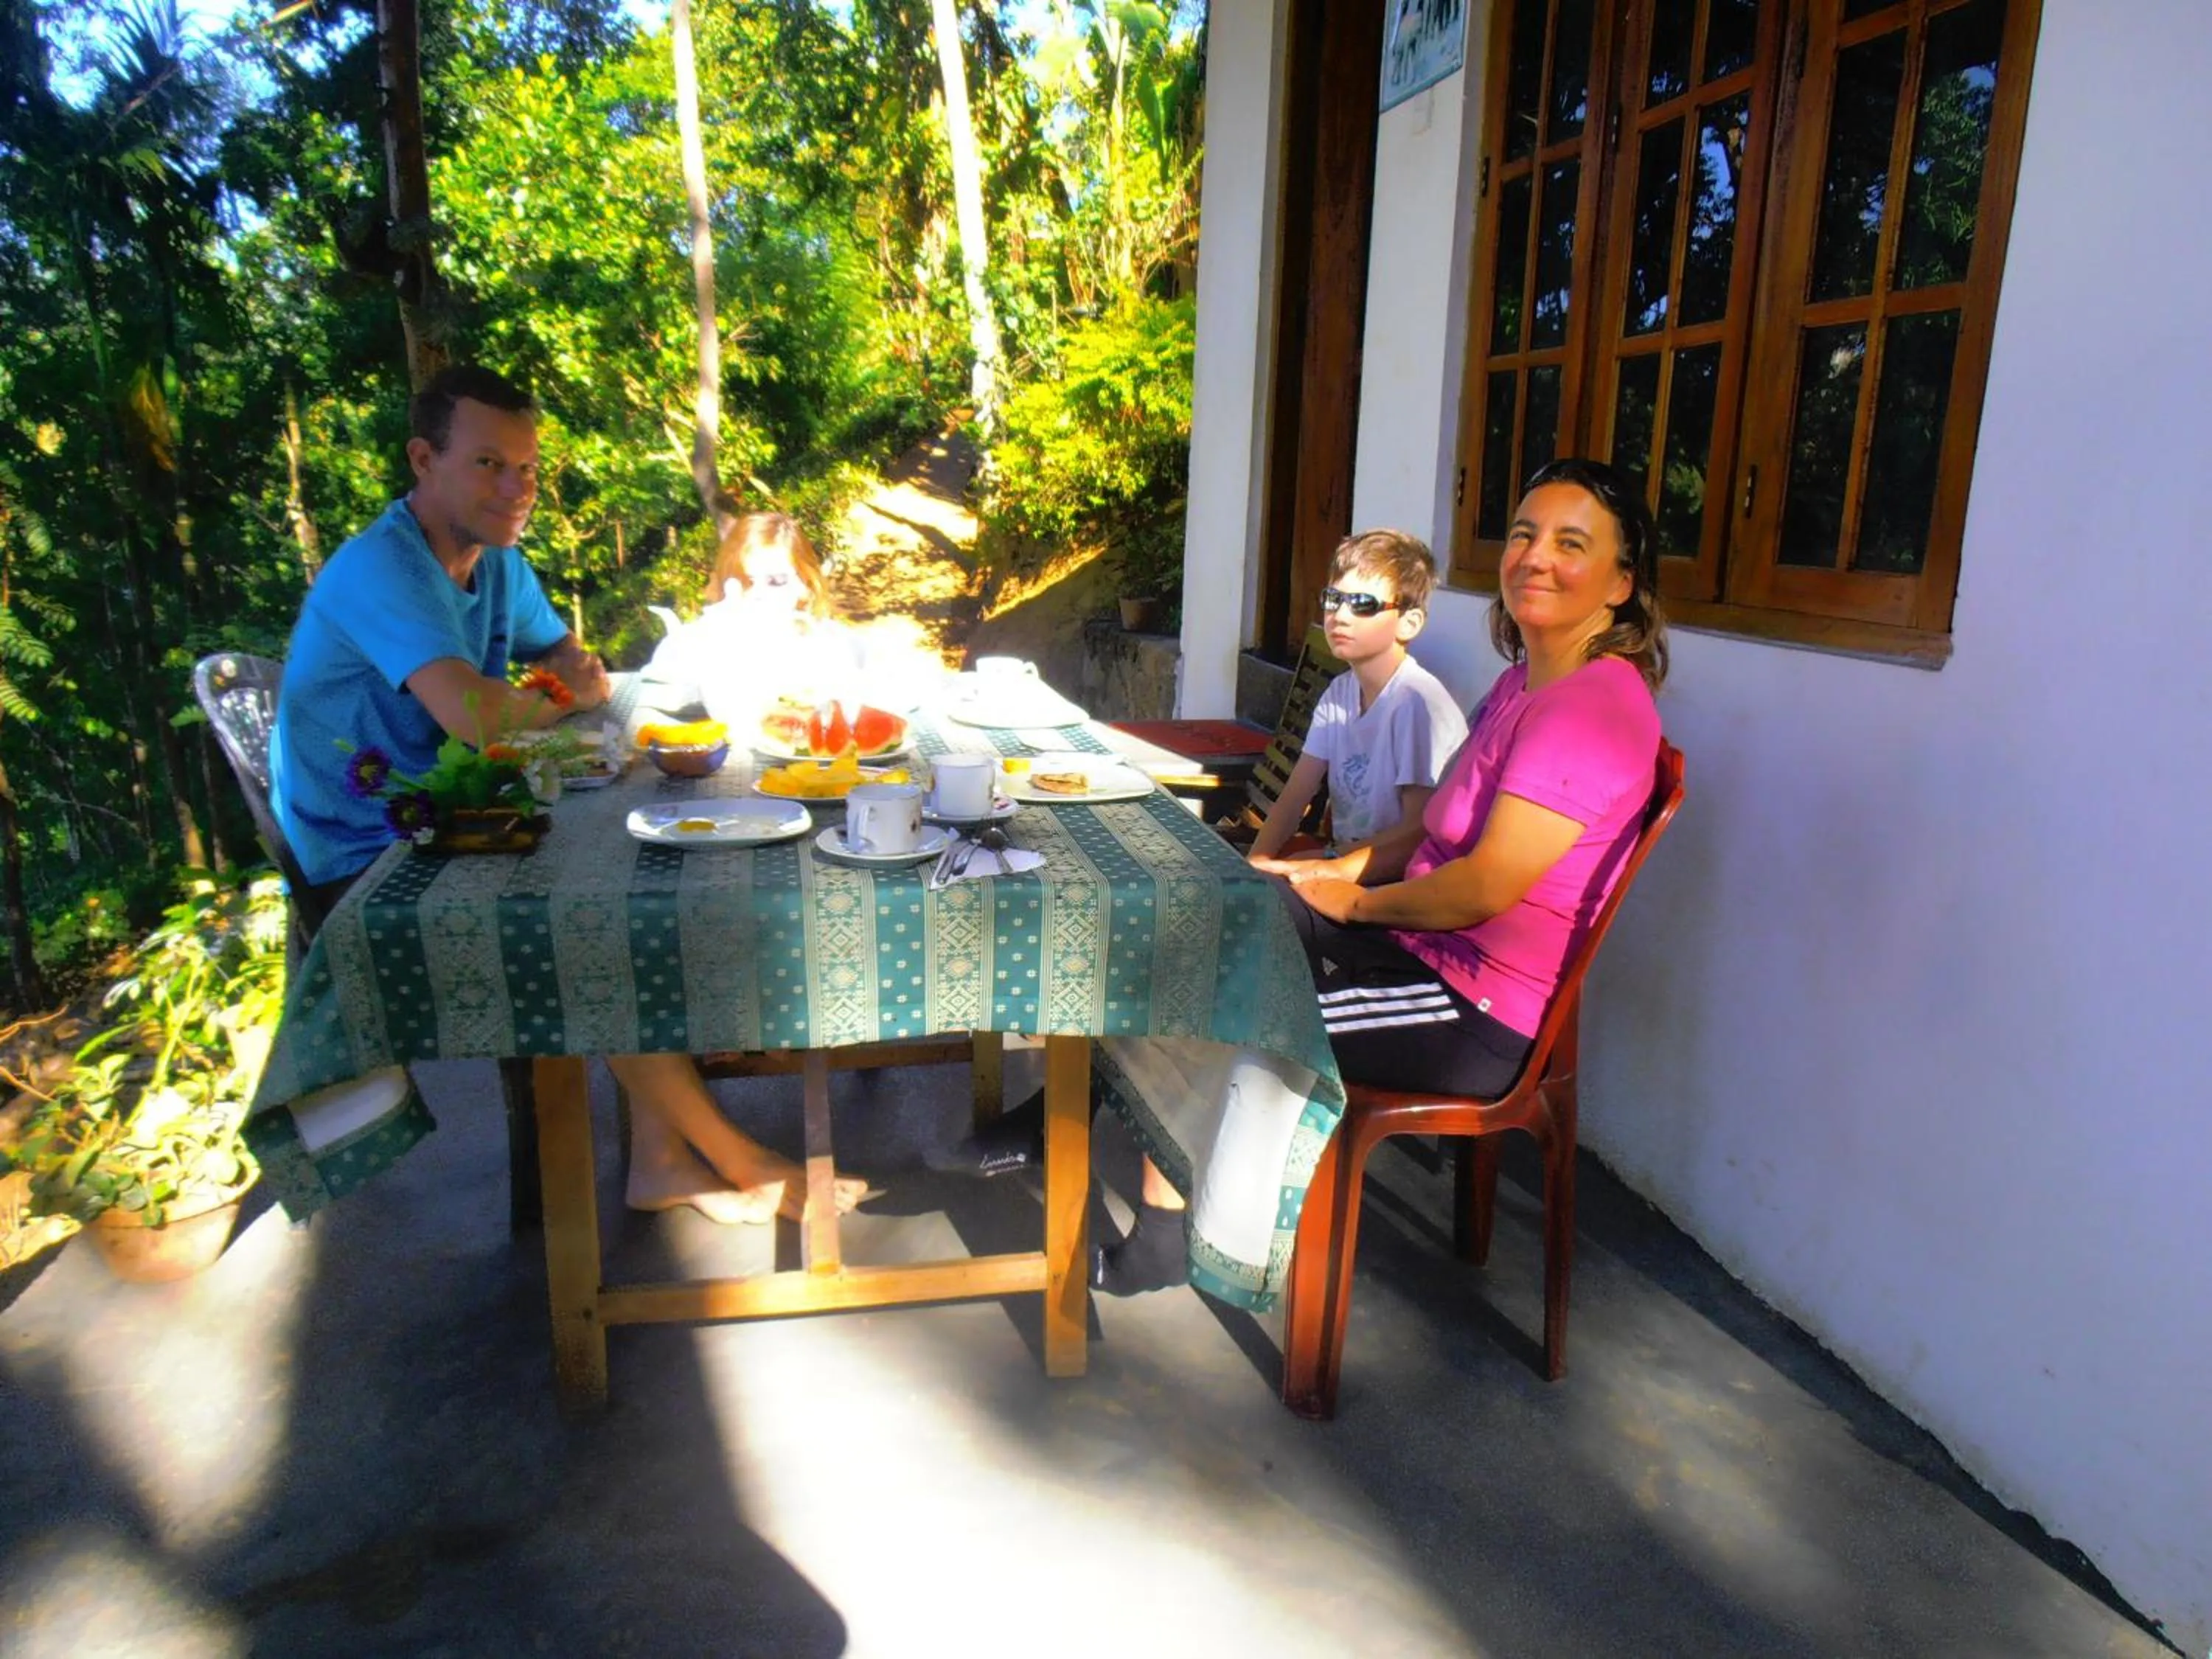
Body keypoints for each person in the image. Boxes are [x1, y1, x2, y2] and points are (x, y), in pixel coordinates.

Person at [269, 364, 869, 1226]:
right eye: (488, 465)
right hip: (373, 855)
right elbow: (484, 721)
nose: (517, 490)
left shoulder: (496, 561)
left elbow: (568, 663)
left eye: (528, 470)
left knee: (647, 869)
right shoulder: (383, 569)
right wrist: (560, 697)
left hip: (461, 809)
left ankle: (662, 1162)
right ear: (422, 460)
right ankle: (738, 1162)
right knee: (592, 916)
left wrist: (561, 684)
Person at [1093, 458, 1667, 1294]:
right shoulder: (1524, 683)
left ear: (1620, 584)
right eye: (1522, 534)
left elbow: (1480, 889)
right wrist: (1328, 874)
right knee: (1210, 916)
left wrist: (1355, 904)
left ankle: (1175, 1235)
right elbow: (1429, 831)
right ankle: (1069, 1123)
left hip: (1469, 1009)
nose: (1535, 557)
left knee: (1225, 1001)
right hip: (1413, 942)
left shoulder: (1592, 709)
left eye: (1570, 544)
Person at [1248, 529, 1468, 860]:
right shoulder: (1339, 694)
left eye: (1363, 604)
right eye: (1333, 599)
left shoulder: (1416, 705)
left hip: (1396, 884)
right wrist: (1254, 867)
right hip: (1343, 867)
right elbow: (1295, 797)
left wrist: (1324, 863)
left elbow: (1417, 836)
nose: (1340, 615)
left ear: (1409, 623)